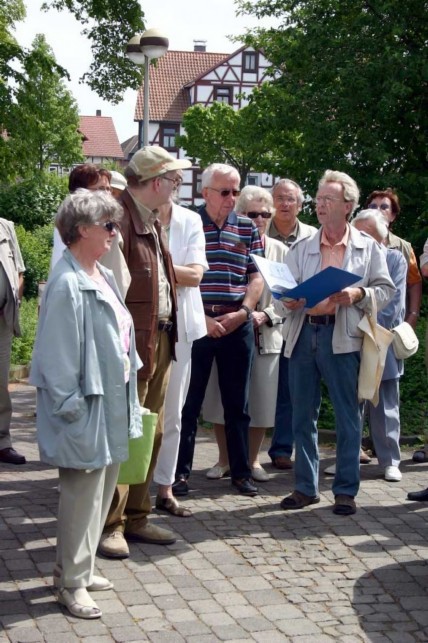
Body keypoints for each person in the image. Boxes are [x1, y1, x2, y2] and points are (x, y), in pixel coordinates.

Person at [29, 189, 142, 619]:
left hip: (112, 400)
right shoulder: (67, 283)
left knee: (101, 493)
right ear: (81, 231)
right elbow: (56, 359)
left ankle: (84, 566)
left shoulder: (100, 274)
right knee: (81, 496)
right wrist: (71, 408)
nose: (115, 233)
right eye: (108, 226)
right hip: (86, 406)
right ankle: (71, 583)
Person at [278, 170, 394, 516]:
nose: (320, 204)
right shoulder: (301, 247)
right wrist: (287, 300)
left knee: (348, 417)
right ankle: (305, 488)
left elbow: (386, 291)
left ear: (347, 206)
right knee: (302, 417)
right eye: (318, 197)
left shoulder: (368, 247)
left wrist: (358, 293)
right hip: (303, 333)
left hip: (343, 337)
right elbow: (281, 291)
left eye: (328, 199)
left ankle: (345, 490)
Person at [98, 146, 191, 560]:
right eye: (174, 180)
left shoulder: (150, 220)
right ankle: (110, 524)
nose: (177, 187)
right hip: (131, 345)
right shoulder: (117, 219)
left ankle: (136, 516)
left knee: (149, 431)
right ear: (157, 182)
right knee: (125, 435)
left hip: (159, 339)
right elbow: (108, 292)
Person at [173, 163, 264, 497]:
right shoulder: (187, 224)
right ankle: (178, 475)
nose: (231, 198)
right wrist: (202, 319)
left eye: (236, 191)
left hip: (236, 323)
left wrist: (244, 312)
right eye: (225, 192)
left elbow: (256, 276)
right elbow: (178, 274)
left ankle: (240, 474)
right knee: (188, 403)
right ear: (205, 192)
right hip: (196, 325)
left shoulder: (247, 227)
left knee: (237, 405)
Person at [202, 186, 287, 482]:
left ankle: (252, 461)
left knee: (261, 401)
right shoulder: (229, 239)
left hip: (266, 334)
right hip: (227, 329)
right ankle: (224, 459)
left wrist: (266, 315)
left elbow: (289, 298)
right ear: (240, 214)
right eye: (253, 213)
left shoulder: (280, 251)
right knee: (220, 399)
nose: (260, 219)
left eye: (266, 214)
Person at [153, 180, 208, 516]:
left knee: (174, 413)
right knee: (137, 412)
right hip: (141, 327)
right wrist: (176, 272)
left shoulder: (189, 220)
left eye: (173, 180)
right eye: (164, 179)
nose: (170, 185)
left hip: (180, 328)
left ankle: (165, 487)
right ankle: (126, 493)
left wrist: (154, 270)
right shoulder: (131, 217)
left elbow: (196, 276)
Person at [352, 209, 407, 482]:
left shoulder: (395, 258)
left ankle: (390, 461)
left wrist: (362, 321)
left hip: (381, 338)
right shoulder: (349, 259)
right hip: (350, 339)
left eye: (368, 235)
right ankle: (349, 456)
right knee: (352, 401)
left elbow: (393, 304)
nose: (362, 240)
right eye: (359, 234)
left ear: (381, 237)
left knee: (385, 403)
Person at [267, 179, 317, 470]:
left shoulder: (311, 235)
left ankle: (289, 449)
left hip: (302, 319)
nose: (285, 204)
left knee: (296, 389)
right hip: (268, 319)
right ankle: (278, 448)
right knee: (279, 389)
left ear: (300, 205)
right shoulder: (259, 229)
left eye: (291, 199)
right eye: (280, 198)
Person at [365, 188, 422, 330]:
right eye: (373, 206)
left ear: (393, 215)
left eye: (384, 207)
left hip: (392, 324)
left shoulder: (404, 247)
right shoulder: (356, 241)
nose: (377, 209)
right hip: (360, 321)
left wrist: (413, 315)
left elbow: (414, 283)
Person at [0, 218, 26, 465]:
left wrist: (14, 299)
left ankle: (2, 442)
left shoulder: (6, 226)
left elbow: (19, 271)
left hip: (2, 320)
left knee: (0, 382)